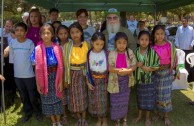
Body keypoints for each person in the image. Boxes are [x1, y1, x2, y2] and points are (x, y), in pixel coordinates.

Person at [31, 24, 64, 126]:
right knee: (47, 101)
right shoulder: (37, 50)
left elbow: (61, 67)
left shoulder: (57, 48)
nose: (46, 35)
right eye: (43, 33)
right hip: (43, 79)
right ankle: (53, 122)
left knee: (57, 100)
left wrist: (61, 82)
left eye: (48, 33)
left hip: (56, 78)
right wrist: (37, 84)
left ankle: (58, 121)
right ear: (40, 35)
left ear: (52, 35)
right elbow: (36, 69)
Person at [9, 22, 42, 122]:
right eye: (17, 30)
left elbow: (33, 61)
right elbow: (12, 60)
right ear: (14, 31)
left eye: (21, 30)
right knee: (23, 96)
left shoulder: (30, 43)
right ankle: (27, 112)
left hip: (29, 75)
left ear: (25, 32)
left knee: (32, 96)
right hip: (18, 76)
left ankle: (37, 112)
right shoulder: (12, 43)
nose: (19, 32)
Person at [63, 22, 90, 126]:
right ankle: (78, 118)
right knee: (74, 97)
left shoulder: (86, 44)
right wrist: (66, 79)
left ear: (81, 32)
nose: (75, 34)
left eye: (77, 32)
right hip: (72, 74)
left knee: (83, 96)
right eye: (72, 32)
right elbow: (65, 64)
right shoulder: (67, 46)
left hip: (83, 74)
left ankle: (84, 118)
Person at [108, 32, 136, 126]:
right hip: (115, 82)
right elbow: (110, 68)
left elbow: (134, 65)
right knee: (115, 102)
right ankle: (117, 120)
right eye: (119, 42)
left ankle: (124, 119)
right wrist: (120, 70)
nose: (122, 45)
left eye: (124, 43)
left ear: (127, 43)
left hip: (126, 82)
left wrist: (127, 71)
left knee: (124, 101)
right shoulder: (112, 54)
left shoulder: (130, 52)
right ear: (115, 43)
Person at [152, 25, 177, 126]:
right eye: (157, 34)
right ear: (154, 34)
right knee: (157, 94)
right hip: (156, 74)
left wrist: (175, 71)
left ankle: (166, 116)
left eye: (162, 33)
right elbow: (150, 61)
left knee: (166, 95)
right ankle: (158, 113)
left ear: (164, 34)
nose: (160, 36)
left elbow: (174, 58)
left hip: (167, 73)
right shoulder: (152, 47)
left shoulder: (169, 45)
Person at [134, 31, 160, 126]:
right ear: (138, 40)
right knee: (140, 98)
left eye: (146, 40)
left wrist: (148, 68)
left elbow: (157, 65)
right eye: (142, 39)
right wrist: (136, 65)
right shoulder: (135, 52)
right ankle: (140, 115)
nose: (144, 42)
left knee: (149, 98)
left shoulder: (152, 52)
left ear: (149, 41)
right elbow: (131, 64)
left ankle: (147, 117)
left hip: (150, 80)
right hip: (139, 80)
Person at [86, 32, 108, 126]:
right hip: (93, 81)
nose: (99, 46)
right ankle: (99, 119)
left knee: (103, 101)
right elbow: (86, 69)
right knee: (95, 101)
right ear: (92, 42)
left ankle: (104, 118)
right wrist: (87, 82)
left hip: (103, 81)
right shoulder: (89, 53)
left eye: (102, 44)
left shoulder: (105, 53)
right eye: (97, 44)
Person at [56, 24, 69, 125]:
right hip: (60, 73)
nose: (63, 35)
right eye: (61, 34)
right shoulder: (56, 46)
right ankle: (64, 114)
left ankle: (73, 111)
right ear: (57, 35)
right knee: (62, 95)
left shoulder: (72, 44)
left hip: (71, 72)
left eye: (65, 33)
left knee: (71, 92)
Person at [175, 17, 194, 83]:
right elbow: (176, 37)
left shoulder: (191, 29)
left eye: (185, 21)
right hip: (181, 49)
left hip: (189, 49)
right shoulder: (179, 28)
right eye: (182, 21)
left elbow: (193, 38)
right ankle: (182, 78)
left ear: (187, 21)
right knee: (181, 63)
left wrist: (192, 45)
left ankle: (188, 78)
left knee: (188, 64)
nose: (183, 22)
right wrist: (177, 45)